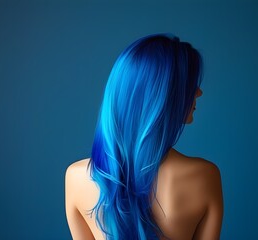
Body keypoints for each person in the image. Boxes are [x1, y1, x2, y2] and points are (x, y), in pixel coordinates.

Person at [65, 33, 223, 240]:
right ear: (163, 96)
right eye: (190, 84)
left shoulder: (76, 177)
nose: (199, 92)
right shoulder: (204, 176)